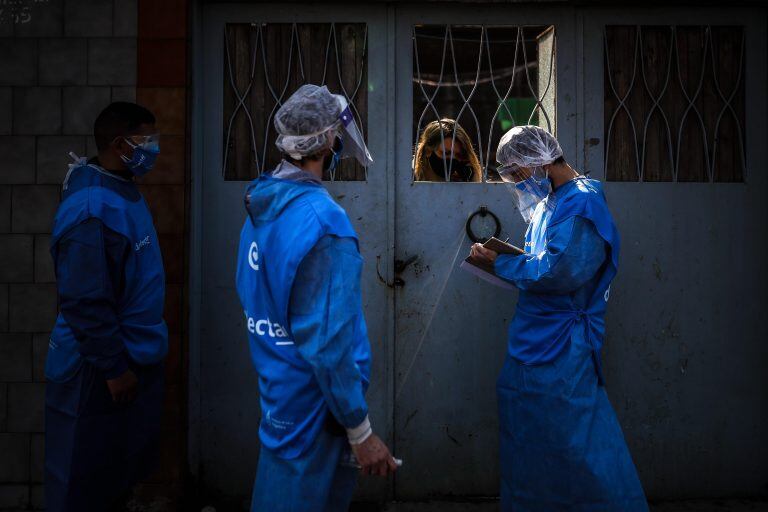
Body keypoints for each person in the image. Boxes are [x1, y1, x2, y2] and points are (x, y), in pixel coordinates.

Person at [236, 84, 398, 512]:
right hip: (316, 406)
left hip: (280, 392)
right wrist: (360, 432)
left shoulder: (262, 204)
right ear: (328, 140)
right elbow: (328, 343)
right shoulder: (322, 221)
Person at [469, 125, 648, 511]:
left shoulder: (581, 204)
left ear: (541, 163)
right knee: (532, 439)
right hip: (535, 338)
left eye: (518, 175)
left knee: (575, 439)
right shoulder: (552, 201)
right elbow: (543, 260)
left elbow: (559, 270)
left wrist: (502, 264)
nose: (519, 184)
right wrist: (506, 261)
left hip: (561, 347)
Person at [45, 102, 167, 511]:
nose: (153, 148)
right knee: (83, 484)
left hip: (126, 361)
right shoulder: (93, 208)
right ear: (120, 143)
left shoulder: (120, 189)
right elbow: (84, 299)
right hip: (95, 371)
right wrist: (114, 369)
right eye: (146, 139)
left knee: (114, 479)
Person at [413, 119, 482, 182]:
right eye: (446, 153)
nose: (453, 159)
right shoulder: (408, 179)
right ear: (428, 150)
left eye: (459, 155)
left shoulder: (460, 181)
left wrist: (470, 182)